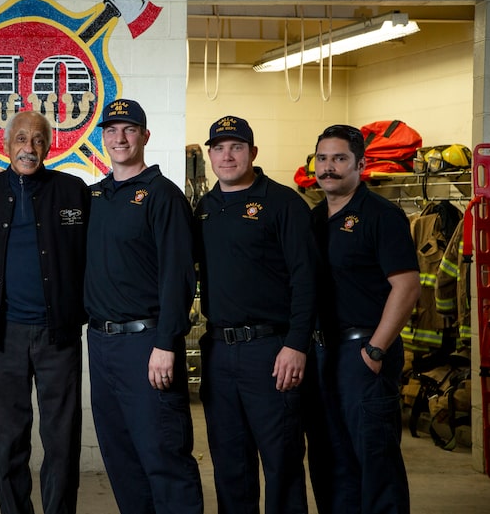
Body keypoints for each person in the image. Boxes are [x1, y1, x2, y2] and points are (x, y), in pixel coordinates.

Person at [84, 98, 203, 514]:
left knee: (163, 454)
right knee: (121, 458)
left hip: (147, 343)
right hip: (100, 344)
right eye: (112, 130)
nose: (119, 138)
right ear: (102, 138)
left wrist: (167, 343)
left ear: (145, 136)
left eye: (129, 129)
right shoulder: (94, 195)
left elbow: (179, 276)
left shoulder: (163, 196)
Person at [193, 115, 317, 514]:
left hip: (271, 350)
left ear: (253, 152)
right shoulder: (205, 207)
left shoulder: (283, 203)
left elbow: (307, 279)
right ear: (210, 154)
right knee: (230, 462)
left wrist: (296, 344)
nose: (227, 156)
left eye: (236, 147)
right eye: (219, 148)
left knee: (281, 461)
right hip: (218, 351)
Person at [0, 110, 89, 514]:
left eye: (38, 140)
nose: (29, 148)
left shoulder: (74, 191)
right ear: (5, 144)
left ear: (49, 145)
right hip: (3, 338)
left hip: (59, 337)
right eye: (21, 139)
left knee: (61, 440)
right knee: (8, 440)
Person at [305, 124, 420, 514]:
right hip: (323, 355)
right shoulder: (315, 218)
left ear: (360, 164)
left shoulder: (381, 216)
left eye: (339, 159)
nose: (328, 168)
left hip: (364, 354)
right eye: (322, 158)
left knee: (375, 460)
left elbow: (406, 286)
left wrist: (375, 349)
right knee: (330, 459)